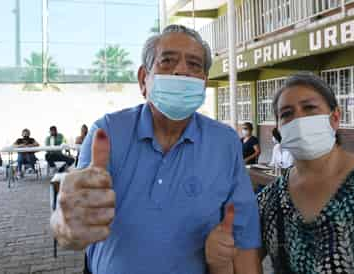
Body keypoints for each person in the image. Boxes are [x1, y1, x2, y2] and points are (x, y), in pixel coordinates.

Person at [50, 25, 261, 274]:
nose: (181, 70)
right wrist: (67, 224)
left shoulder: (224, 142)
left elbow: (244, 238)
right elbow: (72, 219)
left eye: (194, 65)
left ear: (203, 84)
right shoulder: (107, 133)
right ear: (143, 80)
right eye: (168, 60)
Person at [205, 73, 354, 273]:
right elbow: (243, 266)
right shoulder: (269, 201)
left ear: (335, 118)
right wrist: (220, 261)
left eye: (309, 108)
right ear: (280, 130)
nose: (298, 119)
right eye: (286, 114)